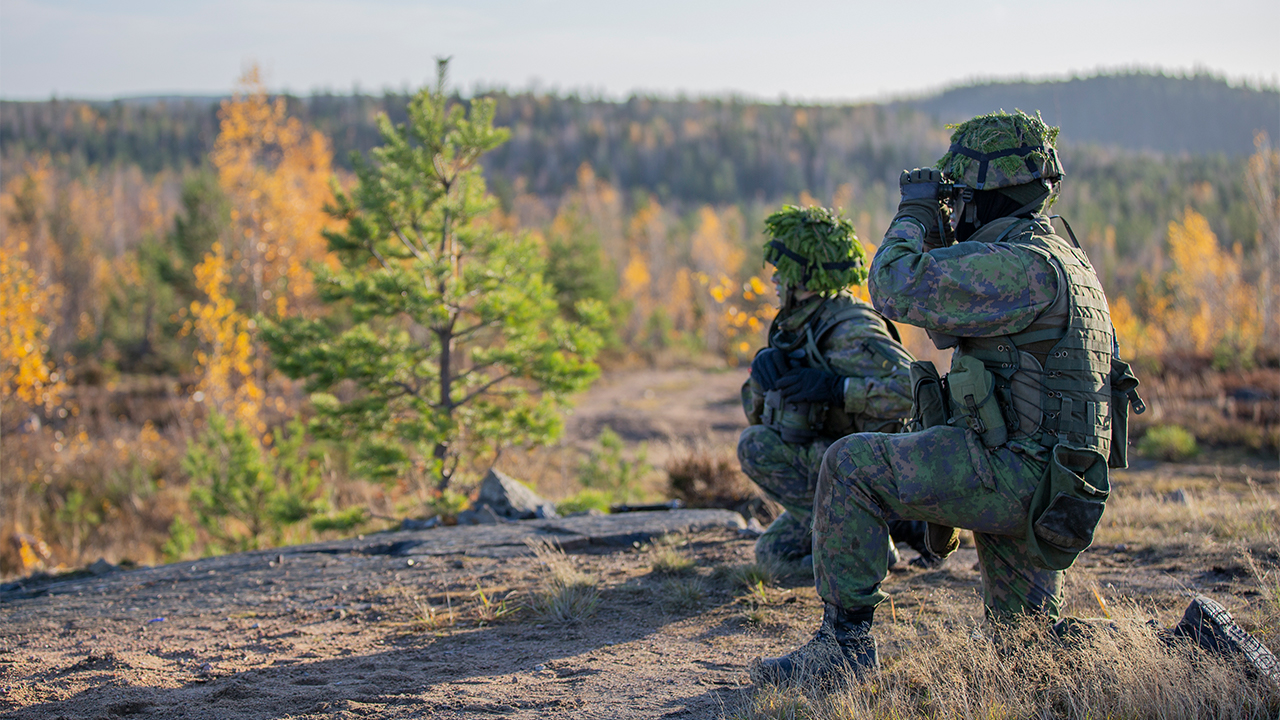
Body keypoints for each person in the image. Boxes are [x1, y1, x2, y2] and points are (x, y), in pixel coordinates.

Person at [751, 110, 1147, 684]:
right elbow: (950, 316)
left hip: (1017, 475)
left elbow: (892, 286)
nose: (955, 209)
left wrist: (915, 212)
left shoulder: (1018, 266)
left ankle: (843, 650)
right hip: (1057, 484)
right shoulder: (1064, 260)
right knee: (1027, 650)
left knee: (851, 465)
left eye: (961, 197)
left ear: (990, 194)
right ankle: (1187, 643)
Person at [738, 205, 943, 573]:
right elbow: (766, 413)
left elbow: (913, 390)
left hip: (869, 466)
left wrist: (838, 388)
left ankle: (870, 540)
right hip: (836, 463)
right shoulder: (799, 323)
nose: (774, 280)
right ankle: (883, 530)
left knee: (755, 447)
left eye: (781, 271)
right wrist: (761, 371)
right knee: (771, 558)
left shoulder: (851, 330)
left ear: (802, 276)